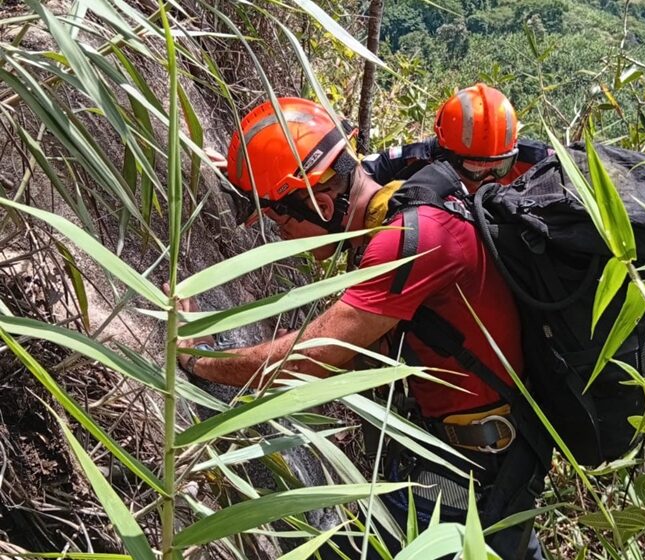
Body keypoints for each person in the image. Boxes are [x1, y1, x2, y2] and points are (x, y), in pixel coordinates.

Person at [174, 97, 549, 559]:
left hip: (466, 478)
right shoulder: (395, 208)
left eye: (280, 218)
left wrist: (198, 360)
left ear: (323, 202)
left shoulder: (410, 240)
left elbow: (313, 358)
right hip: (468, 460)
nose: (281, 236)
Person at [362, 83, 551, 190]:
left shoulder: (533, 159)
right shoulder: (417, 160)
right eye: (475, 168)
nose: (487, 178)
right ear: (447, 153)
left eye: (500, 167)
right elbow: (363, 172)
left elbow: (573, 162)